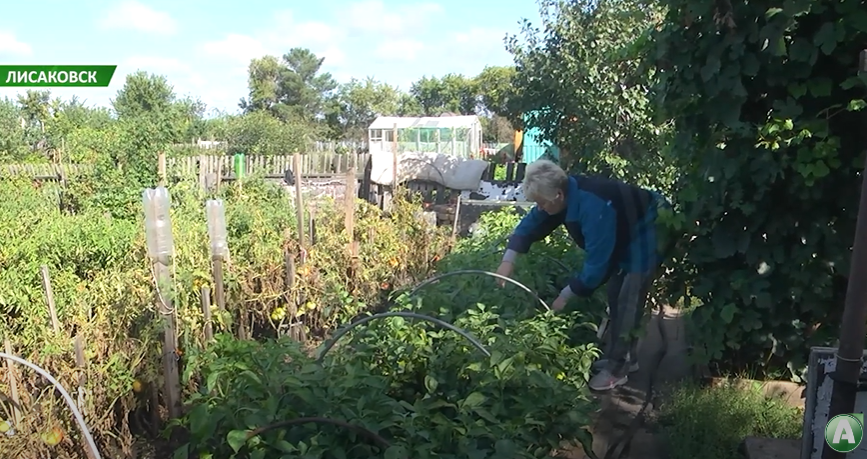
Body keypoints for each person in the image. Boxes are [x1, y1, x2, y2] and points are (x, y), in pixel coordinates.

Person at [496, 159, 670, 391]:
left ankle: (617, 370)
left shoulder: (594, 207)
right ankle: (625, 357)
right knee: (616, 293)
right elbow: (533, 222)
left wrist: (565, 295)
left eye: (541, 203)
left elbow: (598, 263)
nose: (540, 208)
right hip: (628, 225)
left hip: (652, 224)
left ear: (558, 195)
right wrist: (508, 260)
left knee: (630, 296)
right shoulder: (563, 194)